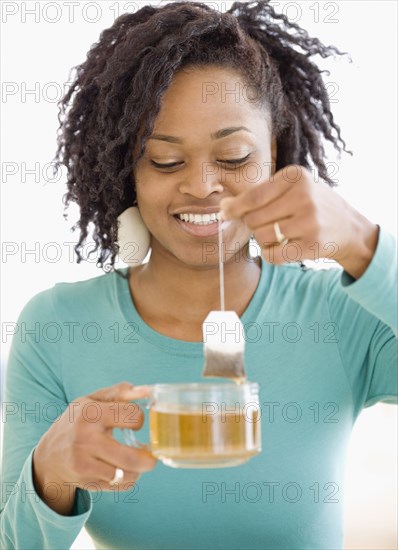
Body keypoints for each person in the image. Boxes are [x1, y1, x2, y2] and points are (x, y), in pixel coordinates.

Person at [1, 1, 397, 548]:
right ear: (129, 170)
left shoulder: (345, 315)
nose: (203, 186)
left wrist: (364, 243)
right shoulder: (56, 325)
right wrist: (49, 476)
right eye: (165, 161)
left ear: (275, 152)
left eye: (234, 157)